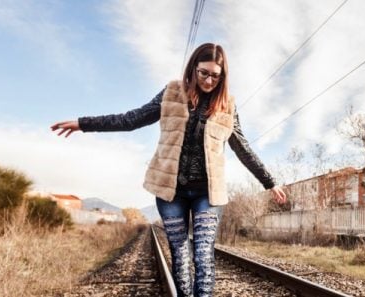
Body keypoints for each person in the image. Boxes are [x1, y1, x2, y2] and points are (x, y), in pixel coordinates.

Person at [50, 42, 287, 297]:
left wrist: (269, 182)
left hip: (208, 193)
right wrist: (83, 124)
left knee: (204, 254)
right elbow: (131, 119)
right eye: (204, 73)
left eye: (215, 76)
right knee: (181, 254)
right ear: (193, 68)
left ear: (223, 76)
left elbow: (242, 147)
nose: (209, 80)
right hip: (170, 192)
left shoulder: (226, 104)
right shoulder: (172, 92)